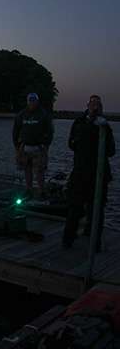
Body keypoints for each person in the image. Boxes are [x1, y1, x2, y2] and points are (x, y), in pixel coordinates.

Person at [63, 94, 115, 248]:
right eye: (92, 104)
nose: (95, 107)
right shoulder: (79, 122)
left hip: (99, 176)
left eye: (98, 104)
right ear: (87, 105)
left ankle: (94, 241)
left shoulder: (105, 126)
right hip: (80, 173)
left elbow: (111, 151)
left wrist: (102, 128)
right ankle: (68, 240)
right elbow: (71, 145)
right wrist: (90, 124)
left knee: (97, 210)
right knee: (74, 208)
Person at [12, 92, 54, 198]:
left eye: (34, 100)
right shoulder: (21, 114)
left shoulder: (44, 114)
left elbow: (50, 131)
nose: (32, 103)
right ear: (27, 102)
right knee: (27, 169)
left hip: (39, 148)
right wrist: (17, 146)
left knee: (40, 171)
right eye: (30, 100)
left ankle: (41, 191)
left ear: (37, 101)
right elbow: (15, 131)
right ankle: (29, 190)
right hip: (25, 148)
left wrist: (46, 146)